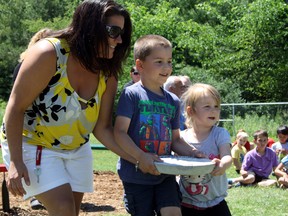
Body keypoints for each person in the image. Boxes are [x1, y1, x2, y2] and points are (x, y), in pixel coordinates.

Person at [0, 0, 134, 215]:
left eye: (122, 33)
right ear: (91, 27)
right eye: (113, 31)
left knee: (71, 212)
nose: (119, 40)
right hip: (33, 142)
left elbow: (102, 128)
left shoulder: (107, 73)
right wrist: (15, 162)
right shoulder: (49, 53)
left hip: (77, 148)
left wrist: (137, 159)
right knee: (64, 209)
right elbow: (15, 108)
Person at [113, 34, 204, 216]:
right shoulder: (131, 94)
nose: (167, 67)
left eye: (169, 62)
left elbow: (176, 140)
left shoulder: (173, 100)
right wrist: (141, 156)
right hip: (136, 176)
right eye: (159, 62)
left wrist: (193, 154)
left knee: (173, 213)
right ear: (140, 65)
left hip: (165, 174)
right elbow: (120, 133)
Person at [179, 83, 232, 216]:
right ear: (190, 111)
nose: (213, 110)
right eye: (207, 107)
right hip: (186, 201)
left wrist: (223, 164)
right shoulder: (181, 138)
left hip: (215, 201)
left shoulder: (220, 133)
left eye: (216, 106)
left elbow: (227, 155)